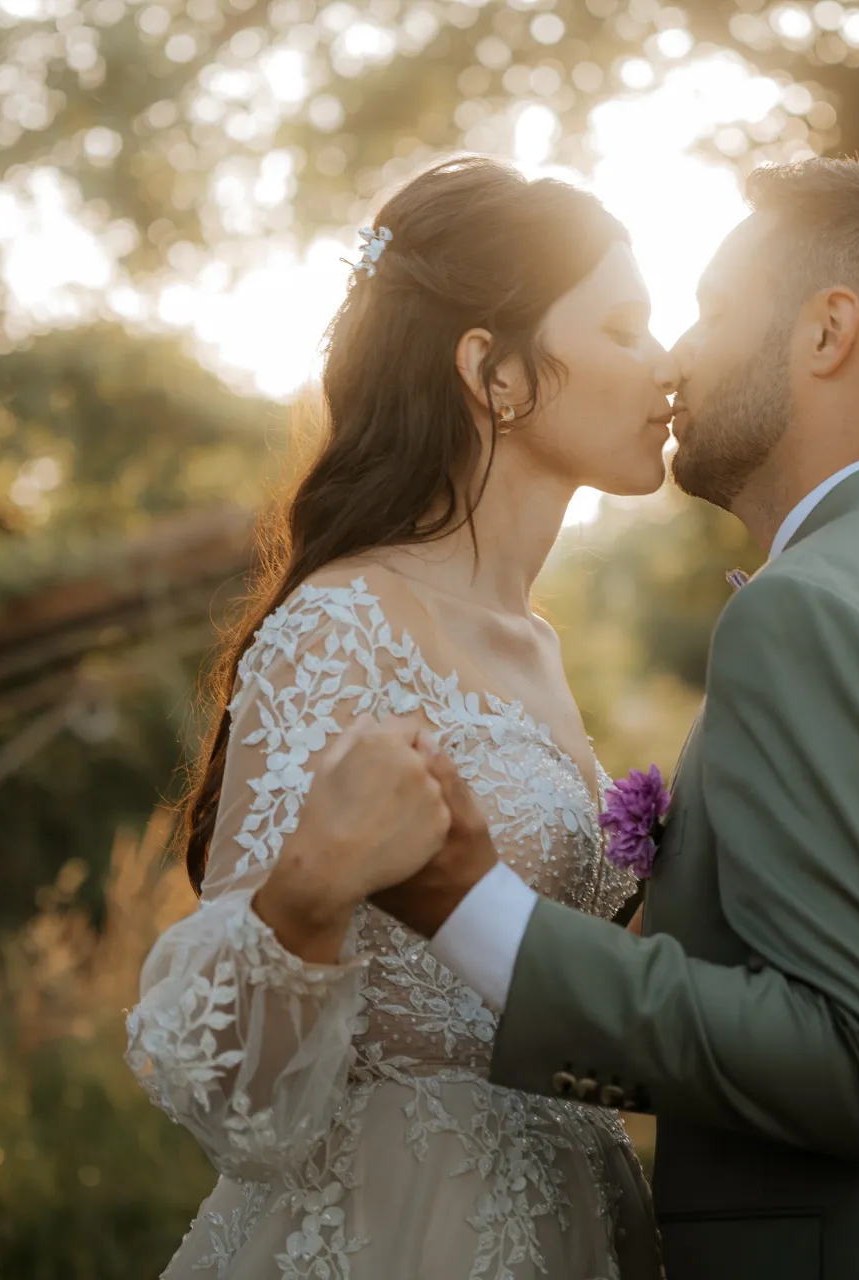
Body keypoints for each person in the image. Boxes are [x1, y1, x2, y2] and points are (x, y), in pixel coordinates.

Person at [363, 159, 859, 1278]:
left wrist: (473, 907)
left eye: (713, 309)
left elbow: (844, 1059)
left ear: (827, 331)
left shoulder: (813, 607)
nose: (679, 355)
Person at [123, 157, 676, 1279]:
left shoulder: (538, 642)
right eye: (625, 326)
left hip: (570, 1211)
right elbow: (224, 1090)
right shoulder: (340, 629)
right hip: (391, 1224)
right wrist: (309, 890)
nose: (667, 363)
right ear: (494, 370)